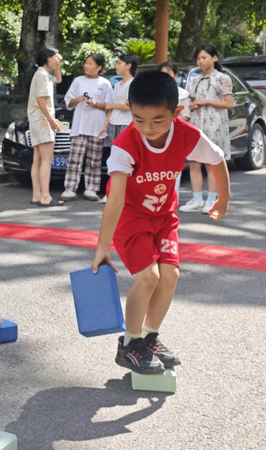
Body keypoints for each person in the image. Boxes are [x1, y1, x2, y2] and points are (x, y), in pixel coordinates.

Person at [92, 70, 229, 374]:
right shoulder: (126, 145)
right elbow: (114, 199)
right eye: (139, 119)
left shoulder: (186, 133)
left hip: (164, 217)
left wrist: (223, 199)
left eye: (157, 120)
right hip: (132, 218)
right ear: (130, 108)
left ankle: (149, 337)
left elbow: (217, 160)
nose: (147, 128)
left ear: (176, 113)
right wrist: (102, 247)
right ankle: (129, 345)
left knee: (171, 275)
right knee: (149, 277)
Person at [179, 45, 233, 214]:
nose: (200, 61)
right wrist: (194, 105)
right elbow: (191, 101)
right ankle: (197, 199)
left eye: (204, 57)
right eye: (198, 58)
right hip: (197, 123)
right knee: (194, 162)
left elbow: (228, 103)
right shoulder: (194, 80)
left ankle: (211, 200)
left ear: (214, 58)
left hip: (215, 123)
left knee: (211, 163)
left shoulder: (222, 78)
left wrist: (206, 102)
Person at [61, 53, 113, 202]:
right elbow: (68, 103)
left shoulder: (105, 83)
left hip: (97, 127)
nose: (86, 66)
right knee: (74, 159)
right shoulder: (78, 81)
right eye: (86, 63)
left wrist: (95, 104)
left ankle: (91, 188)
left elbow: (110, 106)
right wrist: (78, 99)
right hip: (79, 126)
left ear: (99, 67)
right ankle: (70, 188)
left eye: (90, 63)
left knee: (94, 160)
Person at [27, 46, 63, 206]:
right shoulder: (42, 75)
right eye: (56, 56)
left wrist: (59, 65)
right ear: (48, 58)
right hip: (42, 120)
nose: (58, 59)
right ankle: (45, 196)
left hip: (36, 120)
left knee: (38, 159)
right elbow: (42, 100)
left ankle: (36, 195)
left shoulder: (43, 74)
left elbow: (59, 80)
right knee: (47, 159)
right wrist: (51, 120)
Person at [100, 54, 138, 146]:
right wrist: (105, 126)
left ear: (128, 66)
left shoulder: (134, 84)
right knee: (114, 152)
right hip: (113, 123)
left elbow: (129, 106)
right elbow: (111, 107)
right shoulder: (117, 85)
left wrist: (112, 105)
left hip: (126, 123)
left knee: (124, 151)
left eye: (119, 63)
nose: (117, 66)